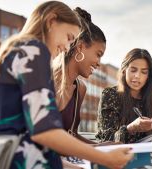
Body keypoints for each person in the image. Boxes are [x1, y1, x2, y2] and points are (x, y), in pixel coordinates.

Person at [0, 1, 133, 169]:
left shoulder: (18, 51)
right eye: (69, 37)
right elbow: (44, 132)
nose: (67, 47)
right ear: (51, 21)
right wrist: (103, 158)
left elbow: (30, 137)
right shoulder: (34, 50)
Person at [53, 7, 106, 144]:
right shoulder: (46, 78)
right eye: (98, 54)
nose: (99, 63)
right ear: (81, 47)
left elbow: (72, 136)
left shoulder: (80, 89)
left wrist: (102, 147)